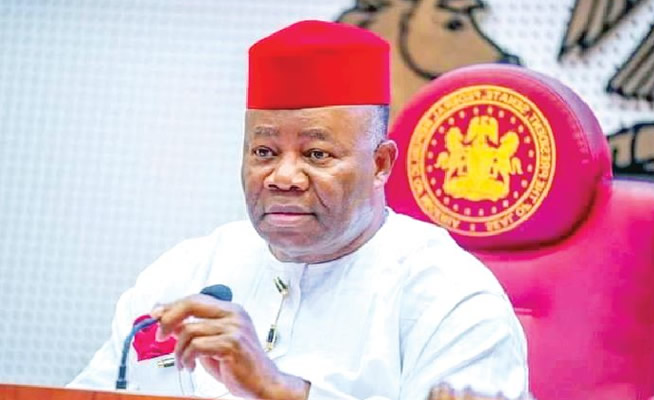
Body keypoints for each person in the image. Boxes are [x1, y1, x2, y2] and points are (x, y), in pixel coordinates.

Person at [68, 20, 528, 400]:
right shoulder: (186, 272)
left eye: (316, 154)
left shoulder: (449, 296)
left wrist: (278, 390)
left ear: (381, 164)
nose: (283, 176)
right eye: (264, 152)